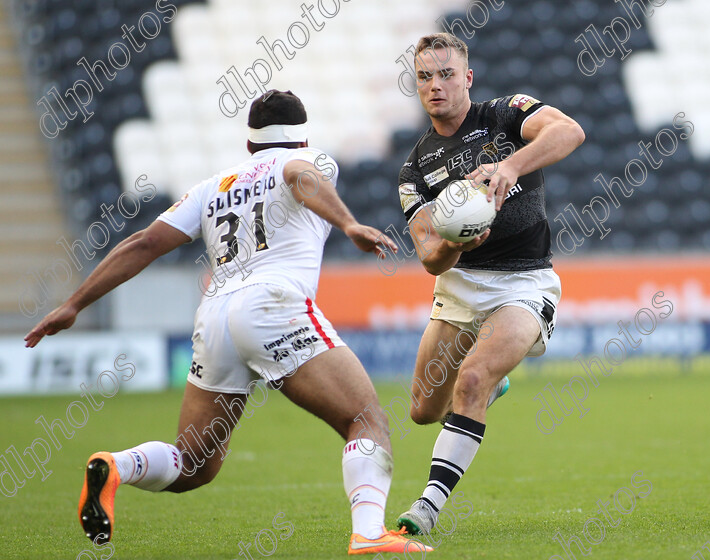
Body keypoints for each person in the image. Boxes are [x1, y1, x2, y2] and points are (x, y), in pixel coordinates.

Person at [25, 90, 431, 556]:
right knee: (366, 420)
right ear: (302, 140)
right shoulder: (307, 160)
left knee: (195, 462)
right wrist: (349, 225)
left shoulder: (212, 186)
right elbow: (299, 176)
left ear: (248, 144)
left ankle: (118, 465)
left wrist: (75, 303)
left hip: (216, 314)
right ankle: (368, 533)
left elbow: (142, 244)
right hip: (275, 305)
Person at [394, 33, 586, 535]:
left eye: (446, 74)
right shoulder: (414, 169)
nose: (435, 85)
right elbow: (431, 259)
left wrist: (509, 165)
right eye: (424, 77)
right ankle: (495, 384)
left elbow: (570, 132)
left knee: (471, 380)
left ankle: (427, 507)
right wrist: (459, 243)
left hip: (525, 284)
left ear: (468, 78)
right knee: (421, 410)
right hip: (460, 284)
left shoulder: (504, 114)